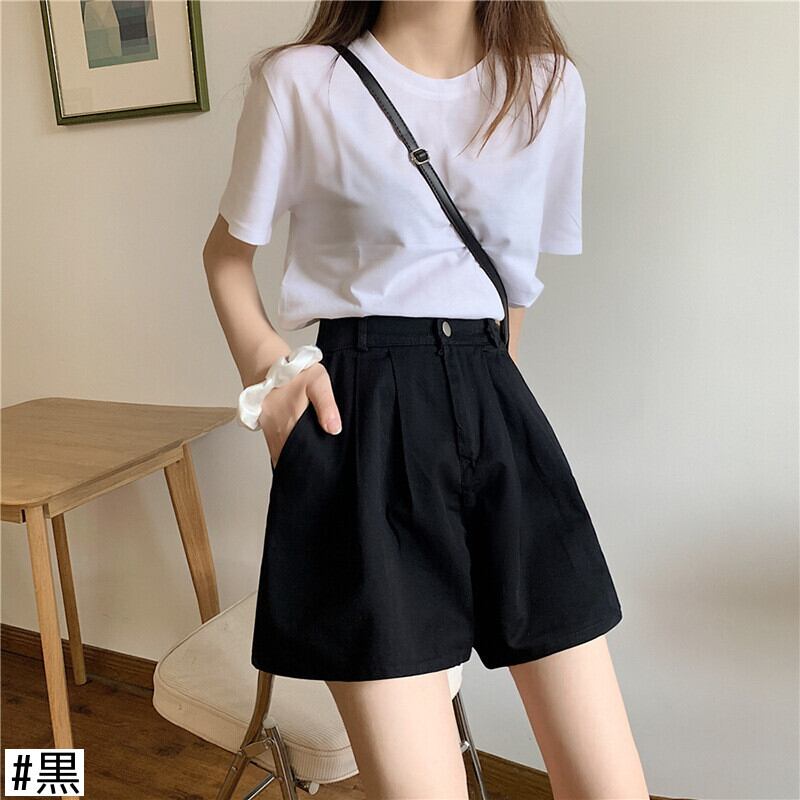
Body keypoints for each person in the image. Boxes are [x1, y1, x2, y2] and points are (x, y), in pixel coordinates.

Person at [203, 2, 649, 798]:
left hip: (498, 412)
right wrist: (275, 381)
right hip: (362, 421)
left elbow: (512, 288)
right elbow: (225, 259)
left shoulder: (549, 87)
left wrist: (485, 403)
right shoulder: (302, 81)